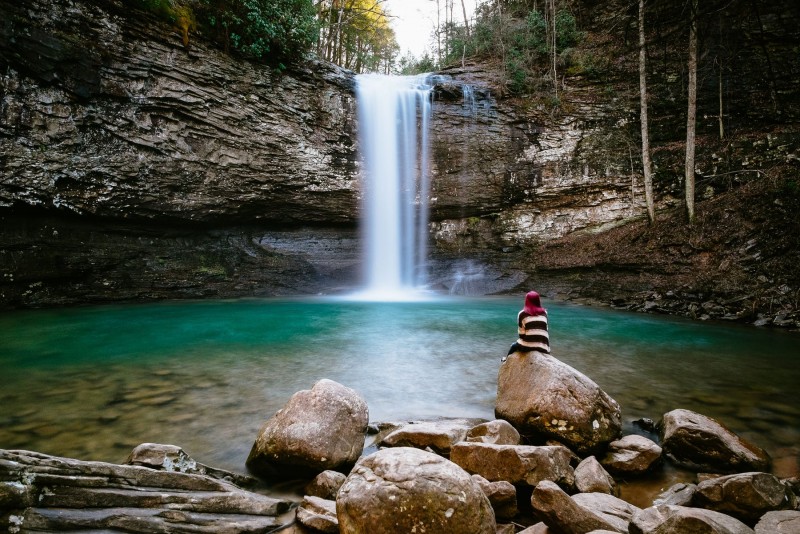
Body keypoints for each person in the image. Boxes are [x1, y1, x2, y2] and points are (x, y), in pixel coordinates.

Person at [506, 290, 550, 356]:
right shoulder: (544, 313)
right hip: (544, 346)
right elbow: (546, 329)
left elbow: (521, 334)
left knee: (513, 346)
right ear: (538, 301)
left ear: (527, 301)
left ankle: (505, 361)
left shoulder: (522, 314)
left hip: (528, 346)